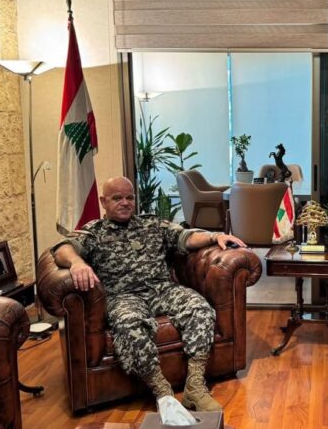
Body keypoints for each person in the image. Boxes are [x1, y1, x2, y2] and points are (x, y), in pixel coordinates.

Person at [52, 176, 247, 412]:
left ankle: (195, 387)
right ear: (103, 201)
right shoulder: (94, 232)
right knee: (129, 324)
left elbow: (185, 236)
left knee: (200, 308)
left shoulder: (152, 224)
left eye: (129, 197)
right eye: (117, 198)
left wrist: (215, 236)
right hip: (123, 297)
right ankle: (163, 393)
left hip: (162, 289)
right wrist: (76, 263)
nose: (125, 203)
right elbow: (62, 249)